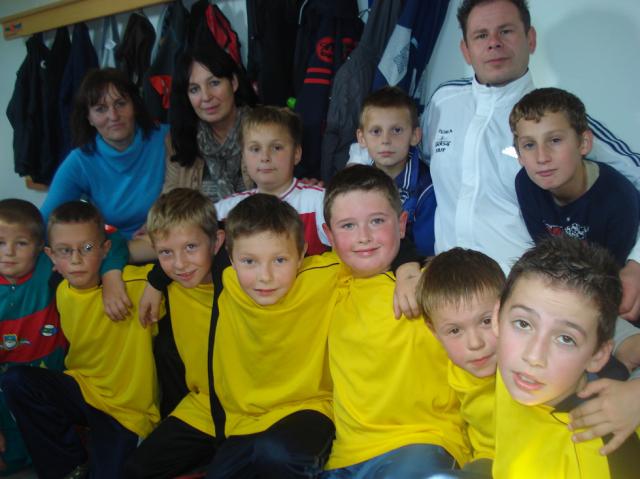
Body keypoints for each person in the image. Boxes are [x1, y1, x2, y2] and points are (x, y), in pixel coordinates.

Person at [420, 0, 640, 319]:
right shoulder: (443, 101)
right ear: (465, 50)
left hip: (527, 303)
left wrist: (636, 264)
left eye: (506, 31)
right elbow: (416, 167)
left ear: (531, 39)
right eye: (481, 35)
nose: (494, 43)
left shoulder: (557, 119)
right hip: (447, 296)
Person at [321, 165, 468, 477]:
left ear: (401, 224)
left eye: (377, 221)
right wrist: (406, 263)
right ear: (329, 235)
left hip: (423, 442)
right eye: (348, 226)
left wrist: (409, 267)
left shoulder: (432, 287)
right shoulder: (325, 281)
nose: (363, 237)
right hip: (345, 456)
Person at [1, 201, 160, 479]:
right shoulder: (58, 286)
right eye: (65, 251)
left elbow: (163, 256)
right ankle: (70, 467)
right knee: (16, 380)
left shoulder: (138, 284)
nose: (75, 259)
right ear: (51, 256)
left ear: (104, 249)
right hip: (82, 389)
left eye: (86, 248)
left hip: (127, 412)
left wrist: (147, 281)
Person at [206, 194, 337, 478]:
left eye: (279, 260)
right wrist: (156, 282)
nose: (265, 276)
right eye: (249, 261)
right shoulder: (229, 282)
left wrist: (407, 267)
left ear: (301, 254)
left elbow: (372, 254)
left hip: (312, 409)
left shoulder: (326, 276)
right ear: (230, 259)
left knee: (276, 454)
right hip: (247, 422)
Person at [492, 237, 640, 478]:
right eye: (523, 324)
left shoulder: (598, 453)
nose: (533, 356)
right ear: (497, 318)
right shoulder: (513, 372)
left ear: (598, 355)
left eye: (565, 339)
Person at [125, 188, 225, 478]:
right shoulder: (170, 282)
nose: (180, 264)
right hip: (203, 408)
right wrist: (156, 280)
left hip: (251, 411)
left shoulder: (243, 279)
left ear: (217, 242)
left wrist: (158, 278)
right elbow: (108, 250)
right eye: (166, 253)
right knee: (135, 470)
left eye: (190, 247)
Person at [511, 87, 639, 266]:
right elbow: (545, 256)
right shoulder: (525, 184)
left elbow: (610, 274)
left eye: (555, 140)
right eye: (529, 145)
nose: (542, 157)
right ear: (519, 155)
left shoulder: (618, 199)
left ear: (584, 143)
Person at [40, 68, 168, 240]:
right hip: (114, 250)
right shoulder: (80, 161)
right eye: (100, 109)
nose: (113, 116)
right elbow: (42, 225)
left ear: (134, 106)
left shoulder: (167, 139)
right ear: (89, 118)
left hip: (172, 241)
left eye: (120, 104)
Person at [417, 248, 505, 476]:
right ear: (434, 332)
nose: (475, 343)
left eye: (486, 321)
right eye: (455, 330)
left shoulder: (531, 361)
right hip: (490, 457)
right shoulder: (452, 367)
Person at [0, 199, 67, 475]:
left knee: (50, 445)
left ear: (41, 247)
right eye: (0, 243)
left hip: (52, 376)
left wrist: (111, 277)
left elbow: (109, 243)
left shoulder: (48, 266)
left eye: (21, 243)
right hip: (4, 383)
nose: (9, 252)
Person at [215, 106, 330, 255]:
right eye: (255, 149)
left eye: (276, 147)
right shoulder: (224, 210)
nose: (265, 157)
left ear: (296, 153)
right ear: (243, 156)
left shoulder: (319, 202)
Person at [163, 43, 257, 201]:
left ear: (233, 82)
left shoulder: (267, 128)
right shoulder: (179, 140)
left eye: (214, 83)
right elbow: (170, 204)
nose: (206, 97)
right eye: (194, 89)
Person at [356, 86, 436, 256]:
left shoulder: (427, 189)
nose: (385, 140)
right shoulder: (355, 184)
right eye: (376, 131)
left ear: (415, 136)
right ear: (362, 138)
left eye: (397, 130)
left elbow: (425, 253)